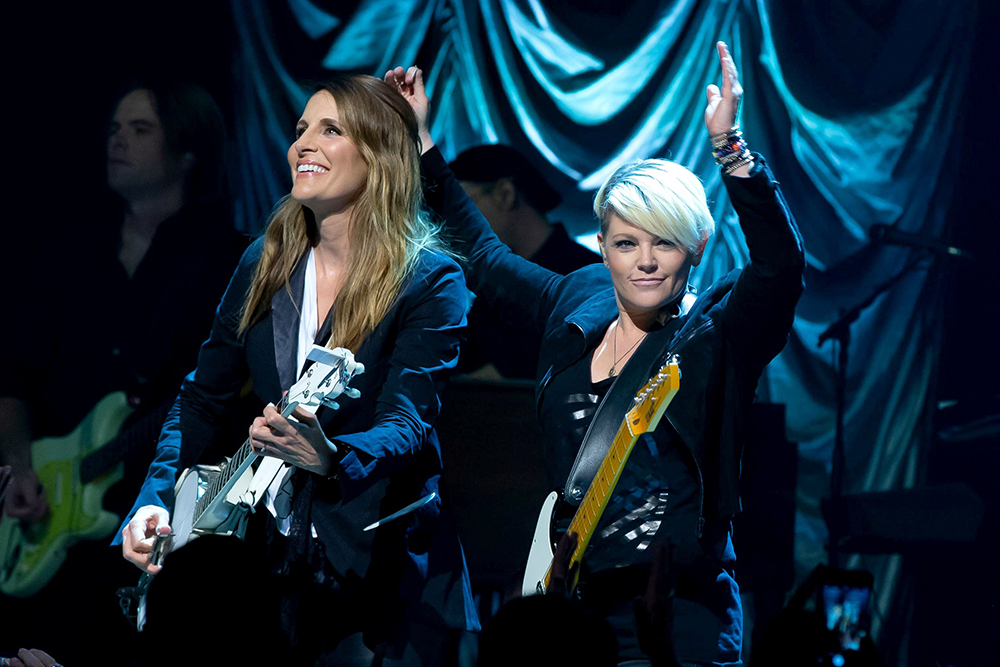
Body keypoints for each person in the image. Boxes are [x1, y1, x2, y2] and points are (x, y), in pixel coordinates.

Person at [388, 39, 804, 666]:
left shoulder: (721, 330)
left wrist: (732, 151)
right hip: (574, 604)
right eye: (626, 241)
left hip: (679, 610)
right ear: (603, 245)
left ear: (694, 249)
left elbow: (781, 265)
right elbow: (487, 260)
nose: (644, 261)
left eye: (664, 242)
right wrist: (422, 145)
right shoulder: (574, 302)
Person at [119, 74, 479, 665]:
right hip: (267, 569)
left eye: (330, 130)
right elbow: (202, 396)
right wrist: (153, 501)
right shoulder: (266, 258)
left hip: (378, 572)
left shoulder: (429, 278)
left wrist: (330, 455)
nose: (302, 145)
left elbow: (406, 421)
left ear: (381, 154)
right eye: (300, 130)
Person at [0, 80, 246, 665]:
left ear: (188, 152)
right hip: (49, 531)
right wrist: (23, 467)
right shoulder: (67, 254)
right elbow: (15, 379)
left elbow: (229, 390)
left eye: (141, 130)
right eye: (114, 128)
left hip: (159, 528)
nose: (118, 141)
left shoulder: (228, 259)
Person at [450, 144, 601, 378]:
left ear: (505, 194)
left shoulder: (587, 274)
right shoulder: (489, 286)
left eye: (463, 206)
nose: (455, 225)